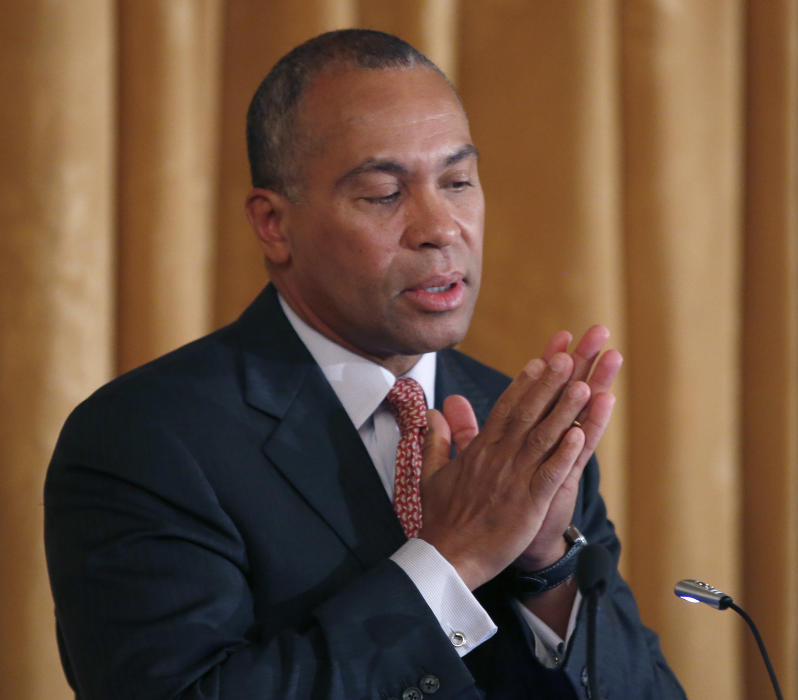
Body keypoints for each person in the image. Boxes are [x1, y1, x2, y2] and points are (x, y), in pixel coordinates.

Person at [44, 29, 685, 700]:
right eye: (384, 194)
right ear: (274, 225)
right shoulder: (145, 440)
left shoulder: (518, 433)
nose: (441, 227)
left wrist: (545, 570)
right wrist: (450, 559)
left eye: (459, 181)